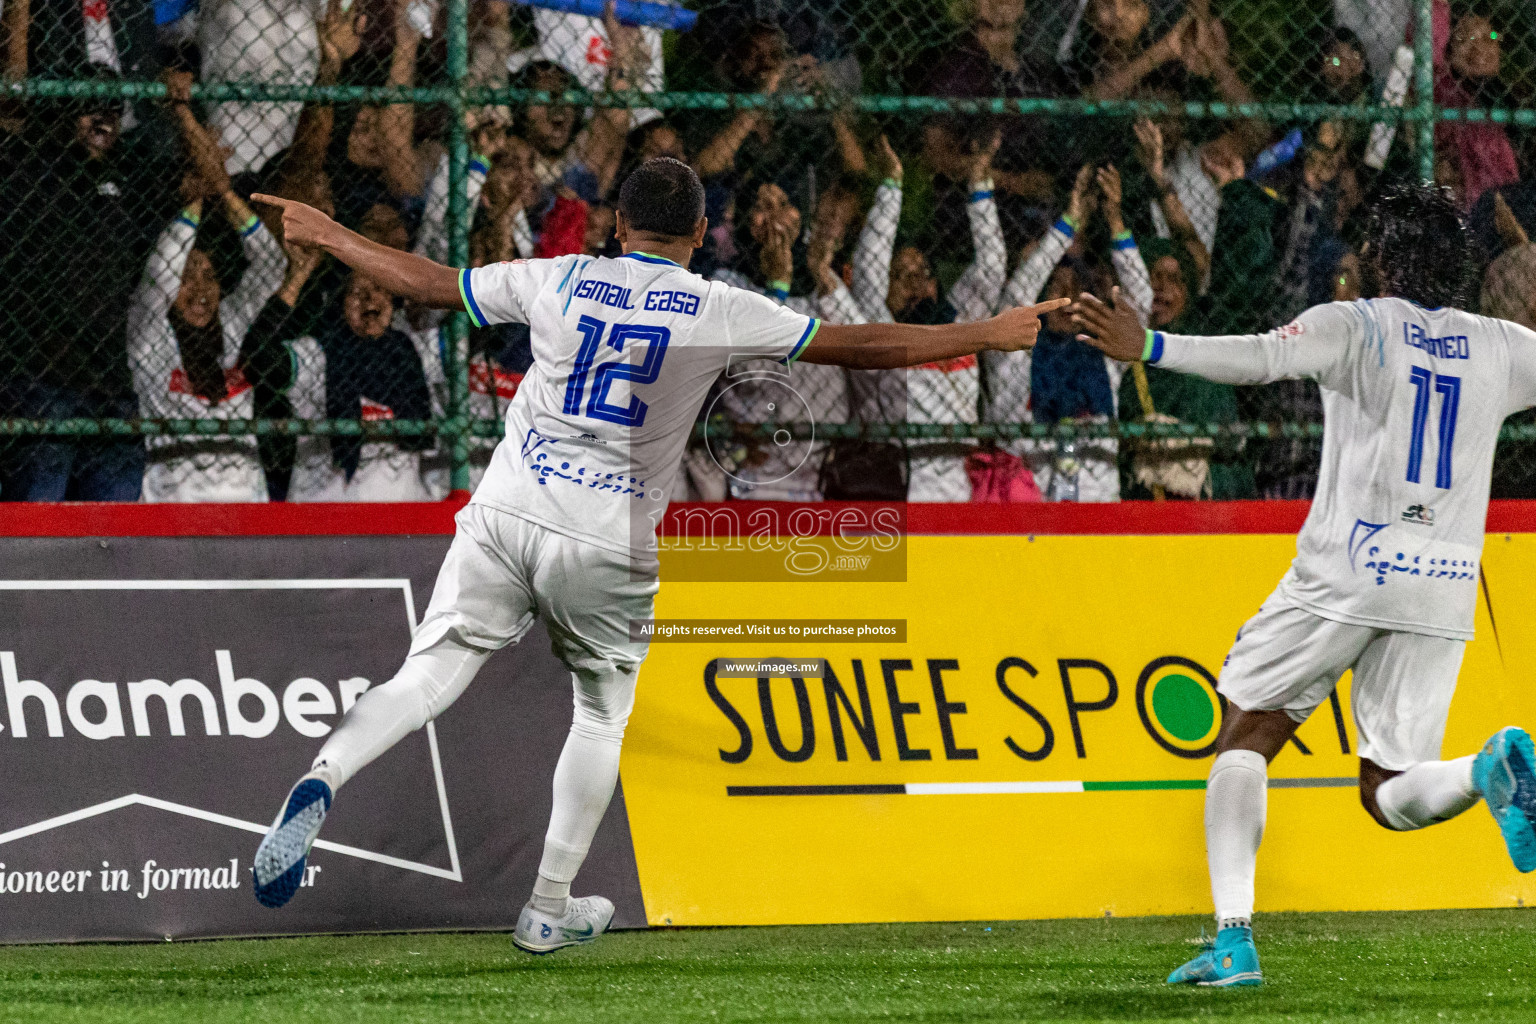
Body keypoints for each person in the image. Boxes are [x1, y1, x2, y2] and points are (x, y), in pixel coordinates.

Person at [246, 157, 1065, 950]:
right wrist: (986, 333)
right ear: (703, 232)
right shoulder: (717, 306)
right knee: (600, 715)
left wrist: (332, 235)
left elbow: (431, 282)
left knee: (423, 678)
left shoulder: (559, 277)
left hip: (505, 511)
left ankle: (324, 775)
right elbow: (862, 345)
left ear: (615, 223)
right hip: (608, 537)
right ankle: (546, 907)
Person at [1072, 184, 1536, 987]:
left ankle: (1234, 941)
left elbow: (1258, 356)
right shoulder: (1506, 344)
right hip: (1445, 583)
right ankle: (1486, 768)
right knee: (1388, 790)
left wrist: (1150, 347)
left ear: (1383, 257)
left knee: (1247, 732)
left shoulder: (1354, 321)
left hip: (1345, 572)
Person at [128, 78, 288, 502]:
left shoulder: (232, 324)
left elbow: (271, 267)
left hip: (247, 514)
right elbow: (161, 276)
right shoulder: (150, 334)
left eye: (210, 277)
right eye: (189, 276)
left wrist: (223, 193)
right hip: (172, 517)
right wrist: (197, 200)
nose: (200, 289)